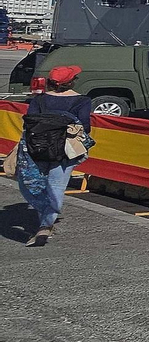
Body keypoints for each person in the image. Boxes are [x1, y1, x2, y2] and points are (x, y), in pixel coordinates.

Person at [11, 66, 95, 246]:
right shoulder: (82, 100)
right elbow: (85, 127)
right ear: (72, 81)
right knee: (56, 186)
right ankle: (46, 225)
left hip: (36, 148)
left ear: (49, 82)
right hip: (65, 150)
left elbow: (29, 121)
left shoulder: (39, 99)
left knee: (31, 184)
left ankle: (45, 218)